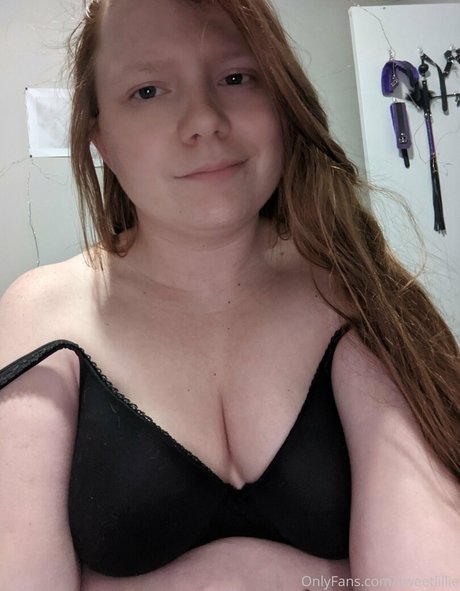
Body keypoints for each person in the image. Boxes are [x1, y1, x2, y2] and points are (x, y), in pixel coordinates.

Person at [0, 0, 459, 589]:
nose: (204, 119)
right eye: (148, 91)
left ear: (282, 102)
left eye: (236, 78)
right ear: (102, 140)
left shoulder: (354, 288)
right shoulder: (42, 317)